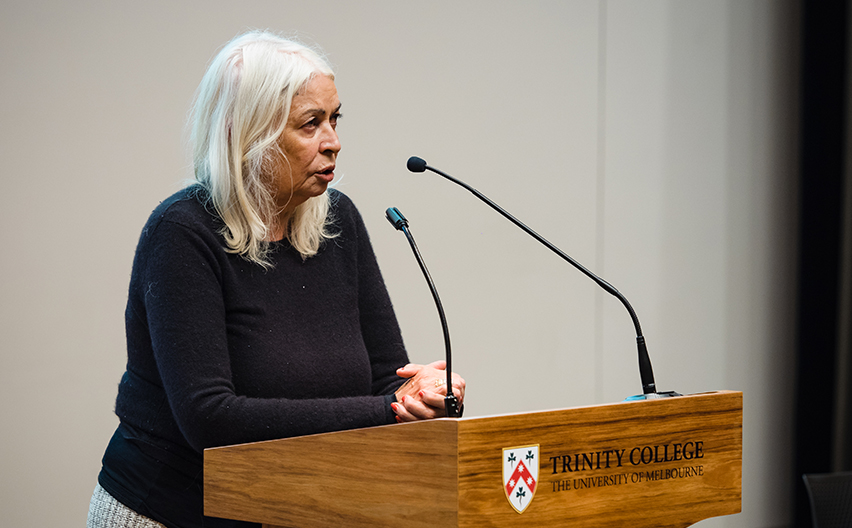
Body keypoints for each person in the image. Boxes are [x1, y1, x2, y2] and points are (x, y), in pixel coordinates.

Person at [87, 30, 465, 528]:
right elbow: (210, 418)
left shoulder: (338, 221)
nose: (333, 142)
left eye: (335, 119)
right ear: (250, 135)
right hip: (170, 513)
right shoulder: (181, 233)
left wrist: (422, 394)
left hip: (292, 508)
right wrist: (390, 411)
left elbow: (383, 379)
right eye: (311, 124)